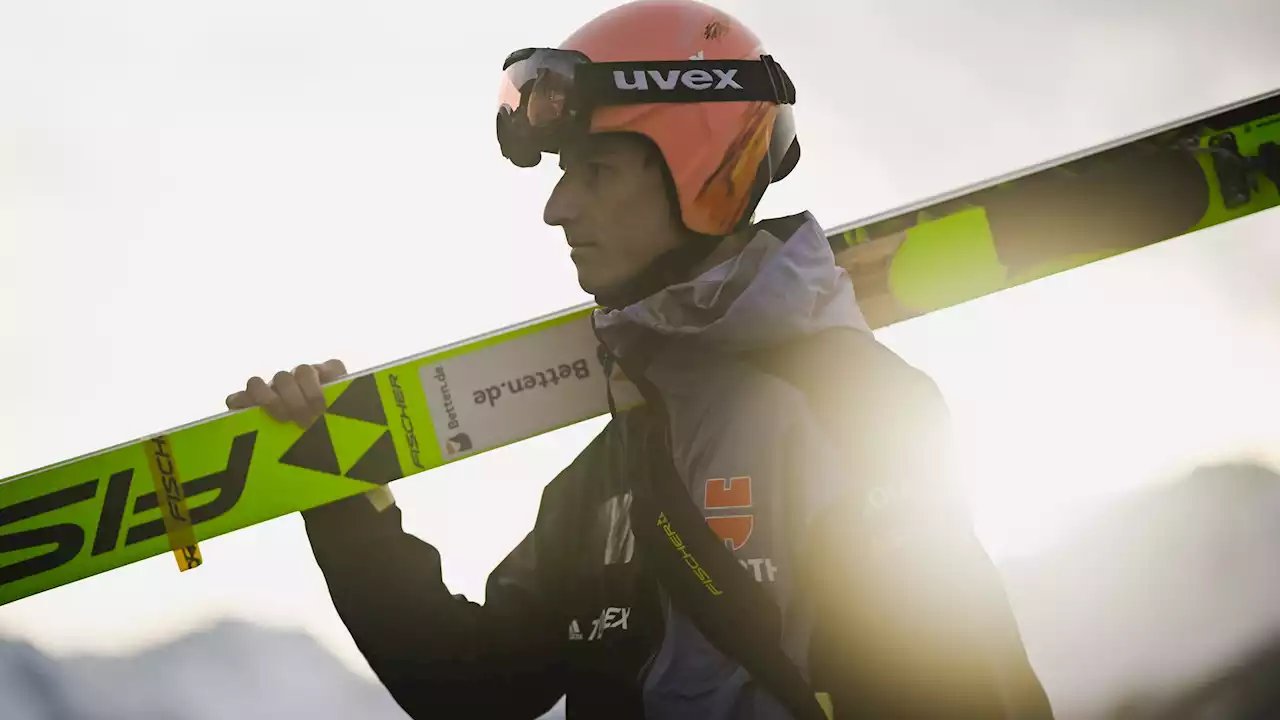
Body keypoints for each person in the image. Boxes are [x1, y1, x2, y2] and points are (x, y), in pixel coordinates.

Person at [224, 1, 1055, 717]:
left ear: (699, 170)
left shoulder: (859, 411)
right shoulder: (611, 472)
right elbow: (469, 687)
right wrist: (339, 494)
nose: (556, 208)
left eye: (594, 169)